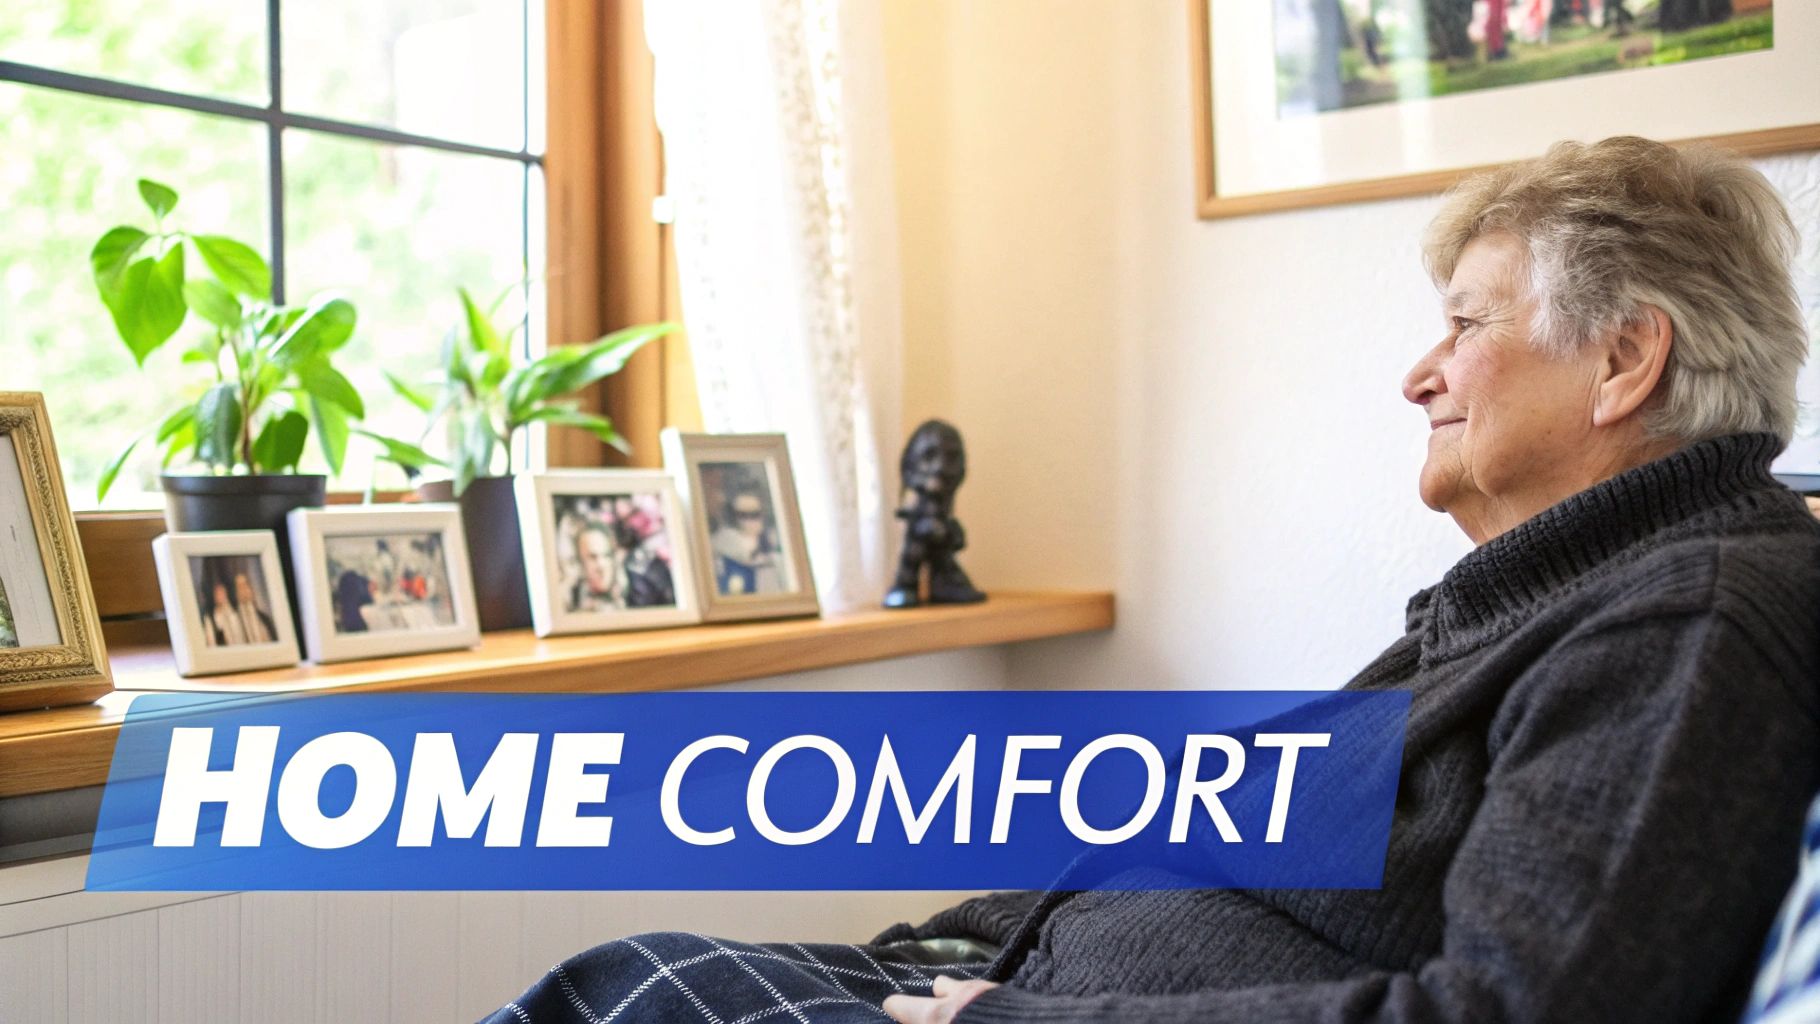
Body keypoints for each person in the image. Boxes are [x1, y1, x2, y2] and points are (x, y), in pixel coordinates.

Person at [486, 137, 1820, 1023]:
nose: (1421, 373)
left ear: (1625, 360)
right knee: (622, 981)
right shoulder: (1552, 589)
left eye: (1467, 323)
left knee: (634, 995)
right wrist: (970, 950)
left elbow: (1515, 1014)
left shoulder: (1686, 616)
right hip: (1000, 980)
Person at [712, 489, 784, 594]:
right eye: (743, 515)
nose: (749, 520)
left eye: (754, 514)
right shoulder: (723, 539)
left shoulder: (773, 539)